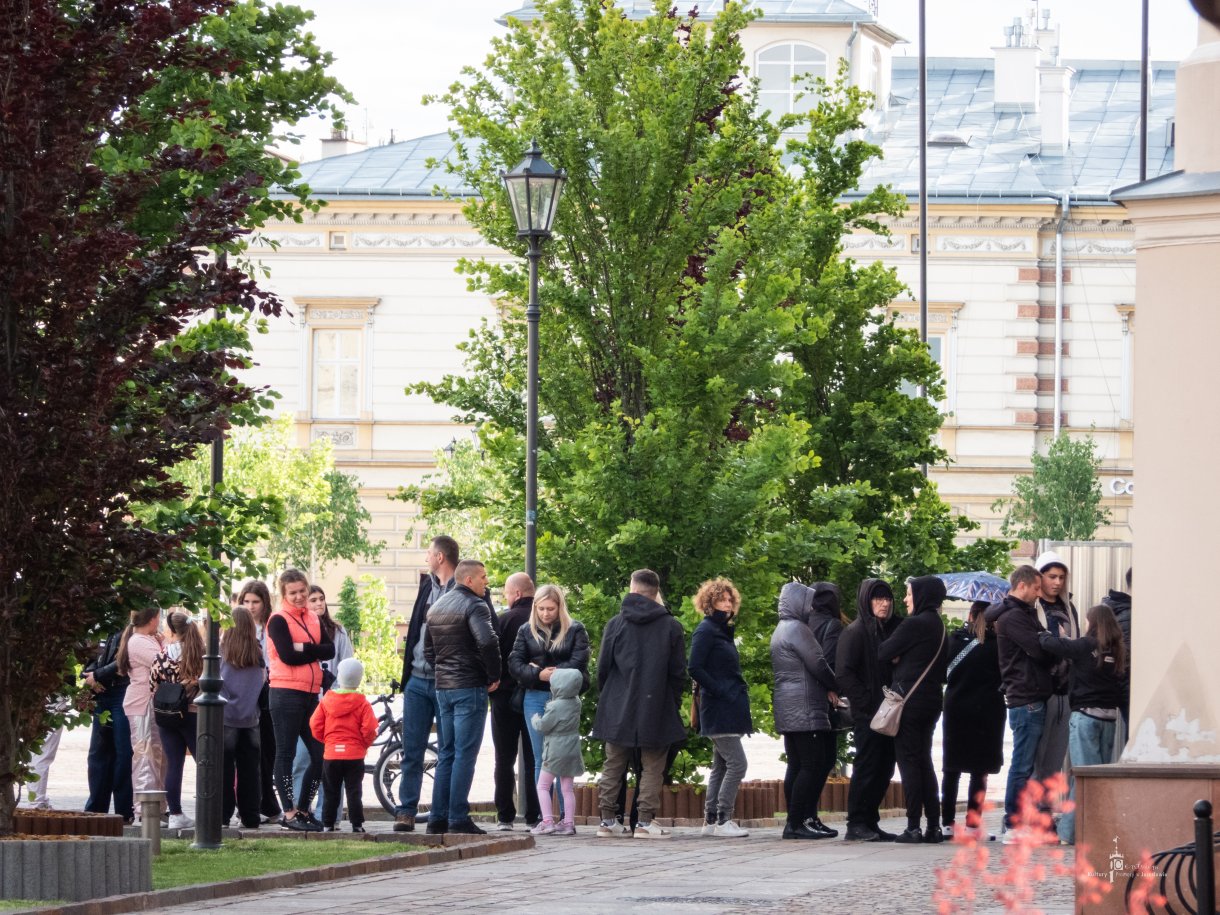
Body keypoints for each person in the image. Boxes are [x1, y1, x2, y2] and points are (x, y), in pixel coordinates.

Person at [592, 569, 686, 840]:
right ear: (656, 592)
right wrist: (672, 700)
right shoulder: (671, 626)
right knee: (653, 764)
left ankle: (608, 820)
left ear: (632, 590)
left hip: (617, 703)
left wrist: (609, 696)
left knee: (614, 763)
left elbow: (603, 669)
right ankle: (644, 822)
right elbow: (678, 672)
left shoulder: (616, 624)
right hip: (656, 704)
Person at [1037, 604, 1129, 845]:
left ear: (1093, 622)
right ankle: (1097, 832)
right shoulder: (1117, 650)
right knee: (1099, 779)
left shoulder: (1087, 645)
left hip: (1085, 718)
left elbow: (1052, 646)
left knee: (1084, 778)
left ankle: (1068, 833)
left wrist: (1044, 633)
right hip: (1109, 720)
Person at [425, 558, 501, 835]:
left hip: (443, 688)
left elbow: (428, 652)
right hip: (469, 686)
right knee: (464, 754)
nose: (486, 582)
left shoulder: (437, 607)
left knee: (447, 753)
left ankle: (437, 818)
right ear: (468, 580)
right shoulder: (475, 605)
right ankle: (458, 816)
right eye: (483, 577)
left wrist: (442, 672)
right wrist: (493, 675)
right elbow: (488, 640)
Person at [394, 534, 460, 833]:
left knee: (448, 750)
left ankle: (440, 814)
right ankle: (405, 812)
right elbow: (415, 633)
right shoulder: (425, 586)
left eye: (429, 554)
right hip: (417, 683)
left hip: (448, 683)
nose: (426, 558)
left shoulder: (466, 588)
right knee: (412, 750)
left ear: (440, 558)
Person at [509, 583, 590, 820]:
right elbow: (515, 664)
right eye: (541, 608)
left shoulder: (575, 629)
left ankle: (566, 816)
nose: (546, 614)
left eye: (551, 609)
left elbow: (579, 663)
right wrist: (536, 675)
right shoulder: (526, 630)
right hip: (534, 696)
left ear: (560, 607)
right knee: (540, 758)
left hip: (564, 698)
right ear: (535, 607)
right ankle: (545, 817)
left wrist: (545, 672)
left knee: (563, 756)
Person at [878, 575, 949, 844]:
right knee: (924, 761)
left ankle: (912, 826)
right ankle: (933, 826)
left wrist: (900, 658)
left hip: (909, 702)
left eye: (909, 594)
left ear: (921, 595)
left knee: (908, 762)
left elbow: (883, 651)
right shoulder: (939, 627)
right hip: (931, 701)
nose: (906, 599)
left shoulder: (915, 624)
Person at [985, 565, 1053, 839]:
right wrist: (1048, 643)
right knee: (1022, 765)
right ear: (1022, 586)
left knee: (1025, 764)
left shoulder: (1020, 613)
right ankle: (1013, 825)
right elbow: (1038, 649)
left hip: (1028, 696)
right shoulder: (1014, 617)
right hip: (1025, 697)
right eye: (1037, 587)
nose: (1041, 592)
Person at [770, 581, 840, 840]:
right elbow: (819, 663)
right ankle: (797, 822)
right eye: (808, 602)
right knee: (812, 764)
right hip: (805, 706)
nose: (811, 607)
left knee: (797, 765)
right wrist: (836, 686)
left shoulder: (780, 629)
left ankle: (800, 820)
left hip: (788, 706)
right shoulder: (798, 629)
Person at [266, 568, 335, 832]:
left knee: (320, 753)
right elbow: (287, 655)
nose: (298, 597)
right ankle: (289, 812)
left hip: (310, 692)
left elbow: (329, 649)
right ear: (283, 593)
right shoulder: (278, 620)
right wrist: (310, 651)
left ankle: (305, 808)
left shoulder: (314, 619)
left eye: (302, 591)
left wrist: (305, 649)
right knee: (286, 752)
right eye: (292, 593)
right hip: (284, 693)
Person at [836, 578, 900, 842]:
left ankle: (870, 820)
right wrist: (865, 703)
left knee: (885, 767)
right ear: (866, 600)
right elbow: (844, 673)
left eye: (887, 599)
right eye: (877, 598)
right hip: (868, 713)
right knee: (867, 767)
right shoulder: (855, 632)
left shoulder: (888, 630)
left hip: (887, 712)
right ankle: (857, 822)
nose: (884, 604)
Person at [688, 578, 753, 839]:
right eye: (721, 600)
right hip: (719, 708)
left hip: (728, 706)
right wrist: (721, 691)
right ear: (709, 602)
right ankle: (723, 818)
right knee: (738, 764)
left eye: (729, 599)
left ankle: (711, 820)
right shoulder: (706, 630)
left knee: (721, 765)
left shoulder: (722, 631)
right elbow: (694, 667)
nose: (726, 604)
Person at [940, 601, 1006, 841]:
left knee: (951, 769)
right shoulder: (997, 646)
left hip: (956, 709)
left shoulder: (953, 640)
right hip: (986, 712)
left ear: (970, 615)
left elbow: (942, 672)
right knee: (979, 772)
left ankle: (946, 824)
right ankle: (972, 825)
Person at [293, 584, 353, 821]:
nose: (318, 604)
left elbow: (347, 666)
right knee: (301, 759)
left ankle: (328, 815)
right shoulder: (296, 631)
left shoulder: (337, 632)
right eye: (313, 599)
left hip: (332, 705)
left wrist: (338, 695)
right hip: (305, 703)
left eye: (321, 599)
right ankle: (300, 812)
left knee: (332, 762)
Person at [490, 572, 542, 830]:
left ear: (517, 593)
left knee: (504, 757)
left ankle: (505, 816)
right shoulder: (544, 620)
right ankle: (535, 815)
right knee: (536, 757)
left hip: (503, 697)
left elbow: (492, 656)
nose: (506, 598)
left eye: (507, 593)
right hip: (536, 696)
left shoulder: (505, 620)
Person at [310, 657, 379, 833]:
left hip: (332, 754)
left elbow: (315, 725)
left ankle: (327, 823)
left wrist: (328, 741)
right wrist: (363, 744)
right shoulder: (362, 703)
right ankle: (357, 824)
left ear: (339, 677)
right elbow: (370, 728)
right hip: (354, 755)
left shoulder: (326, 700)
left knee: (330, 791)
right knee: (354, 791)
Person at [150, 610, 204, 831]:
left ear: (171, 631)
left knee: (174, 764)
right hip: (193, 713)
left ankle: (175, 813)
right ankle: (208, 808)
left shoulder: (162, 655)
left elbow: (152, 686)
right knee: (204, 763)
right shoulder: (200, 653)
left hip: (167, 715)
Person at [1032, 551, 1081, 784]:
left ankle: (1044, 813)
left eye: (1061, 577)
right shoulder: (1032, 606)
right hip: (1039, 691)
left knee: (1055, 760)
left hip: (1065, 691)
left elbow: (1077, 646)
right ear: (1039, 577)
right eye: (1052, 576)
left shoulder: (1069, 607)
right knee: (1034, 759)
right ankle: (1028, 814)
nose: (1057, 582)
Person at [237, 579, 281, 824]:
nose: (251, 606)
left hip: (268, 691)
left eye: (255, 602)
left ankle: (267, 803)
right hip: (244, 695)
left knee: (267, 750)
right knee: (248, 753)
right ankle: (252, 803)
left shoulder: (270, 626)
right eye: (246, 602)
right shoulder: (237, 628)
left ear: (264, 603)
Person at [117, 607, 165, 824]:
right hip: (142, 703)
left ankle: (156, 807)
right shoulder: (139, 642)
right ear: (153, 619)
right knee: (144, 755)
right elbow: (163, 663)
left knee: (155, 756)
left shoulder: (146, 639)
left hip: (149, 703)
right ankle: (143, 812)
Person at [220, 606, 265, 829]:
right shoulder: (257, 653)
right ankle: (250, 816)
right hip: (251, 718)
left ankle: (222, 816)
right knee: (250, 772)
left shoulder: (222, 651)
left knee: (224, 770)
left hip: (226, 716)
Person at [83, 629, 134, 823]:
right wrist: (90, 675)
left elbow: (124, 659)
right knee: (98, 752)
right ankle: (96, 807)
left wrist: (96, 674)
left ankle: (123, 810)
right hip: (103, 690)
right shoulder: (102, 623)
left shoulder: (130, 627)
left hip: (120, 689)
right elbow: (90, 655)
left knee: (123, 752)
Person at [528, 667, 585, 837]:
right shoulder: (576, 702)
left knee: (543, 786)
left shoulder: (554, 706)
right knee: (567, 788)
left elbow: (543, 726)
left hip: (555, 750)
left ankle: (547, 822)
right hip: (572, 748)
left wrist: (535, 718)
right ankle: (568, 823)